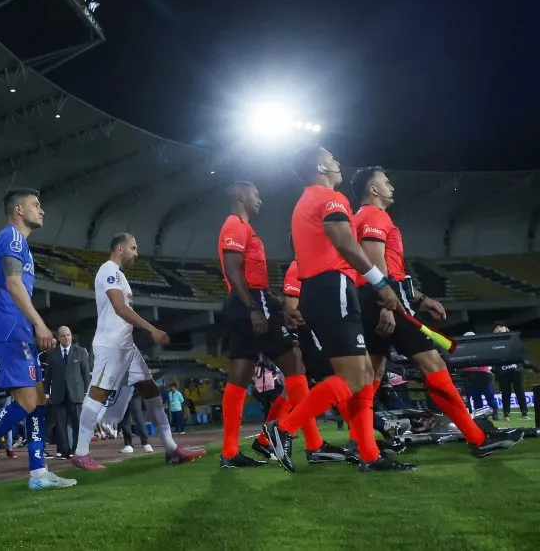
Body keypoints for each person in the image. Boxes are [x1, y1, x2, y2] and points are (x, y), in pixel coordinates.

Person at [349, 166, 522, 457]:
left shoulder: (365, 216)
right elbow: (376, 265)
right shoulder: (374, 215)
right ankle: (477, 438)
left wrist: (420, 299)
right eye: (385, 181)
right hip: (384, 301)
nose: (391, 185)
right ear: (373, 190)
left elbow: (390, 271)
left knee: (372, 374)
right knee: (434, 364)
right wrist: (386, 307)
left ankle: (359, 441)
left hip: (379, 298)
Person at [263, 146, 409, 473]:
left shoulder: (304, 202)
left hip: (318, 291)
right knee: (357, 377)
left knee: (357, 377)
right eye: (332, 159)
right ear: (319, 166)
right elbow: (345, 242)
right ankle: (283, 428)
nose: (337, 163)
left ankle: (370, 455)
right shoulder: (331, 198)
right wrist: (379, 283)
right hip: (334, 288)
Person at [217, 182, 346, 468]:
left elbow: (255, 281)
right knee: (295, 365)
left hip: (251, 301)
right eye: (256, 194)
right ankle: (313, 445)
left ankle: (229, 453)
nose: (260, 199)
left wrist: (280, 308)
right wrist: (254, 309)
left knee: (239, 375)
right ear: (240, 196)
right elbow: (232, 269)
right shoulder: (235, 225)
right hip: (250, 301)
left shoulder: (242, 227)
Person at [0, 189, 77, 492]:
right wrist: (39, 323)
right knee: (26, 401)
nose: (42, 210)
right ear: (18, 209)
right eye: (36, 205)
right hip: (8, 328)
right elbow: (13, 283)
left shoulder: (20, 243)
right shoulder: (11, 237)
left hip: (18, 328)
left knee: (38, 398)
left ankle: (38, 472)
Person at [71, 233, 206, 471]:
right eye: (133, 248)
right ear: (120, 248)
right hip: (110, 345)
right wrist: (152, 330)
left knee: (151, 391)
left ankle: (171, 448)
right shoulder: (108, 270)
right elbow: (120, 307)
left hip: (126, 346)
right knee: (97, 395)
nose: (136, 252)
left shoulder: (120, 275)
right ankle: (81, 452)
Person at [45, 327, 90, 458]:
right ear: (58, 338)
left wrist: (87, 393)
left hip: (76, 394)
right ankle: (65, 451)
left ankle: (77, 450)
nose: (66, 338)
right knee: (60, 425)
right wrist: (46, 393)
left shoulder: (80, 352)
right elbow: (48, 375)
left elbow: (86, 374)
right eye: (63, 336)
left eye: (68, 335)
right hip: (58, 395)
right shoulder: (52, 353)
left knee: (77, 424)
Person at [492, 324, 534, 419]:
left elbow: (520, 352)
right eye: (498, 331)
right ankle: (506, 414)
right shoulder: (494, 343)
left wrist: (525, 365)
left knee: (519, 390)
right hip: (502, 371)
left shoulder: (514, 340)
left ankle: (524, 412)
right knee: (505, 392)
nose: (500, 332)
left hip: (516, 369)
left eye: (502, 330)